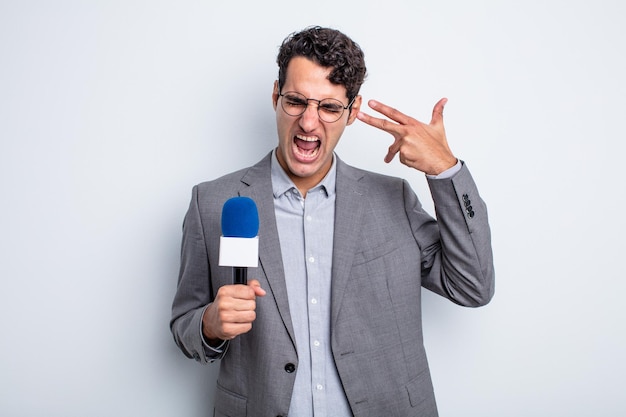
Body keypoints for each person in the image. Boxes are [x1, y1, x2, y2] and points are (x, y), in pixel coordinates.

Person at [170, 26, 494, 417]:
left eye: (328, 107)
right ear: (276, 96)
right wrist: (209, 324)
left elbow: (473, 286)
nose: (309, 123)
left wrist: (445, 171)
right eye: (295, 101)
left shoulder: (394, 200)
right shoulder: (214, 203)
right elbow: (184, 326)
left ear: (352, 112)